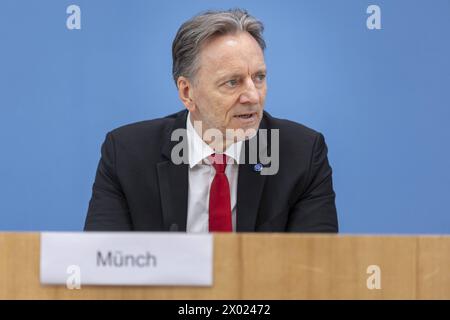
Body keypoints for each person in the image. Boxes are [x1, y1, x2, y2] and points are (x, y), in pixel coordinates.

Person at [84, 9, 338, 232]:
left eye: (259, 78)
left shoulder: (302, 155)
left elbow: (314, 271)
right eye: (232, 82)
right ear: (187, 92)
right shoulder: (127, 155)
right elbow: (102, 266)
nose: (252, 96)